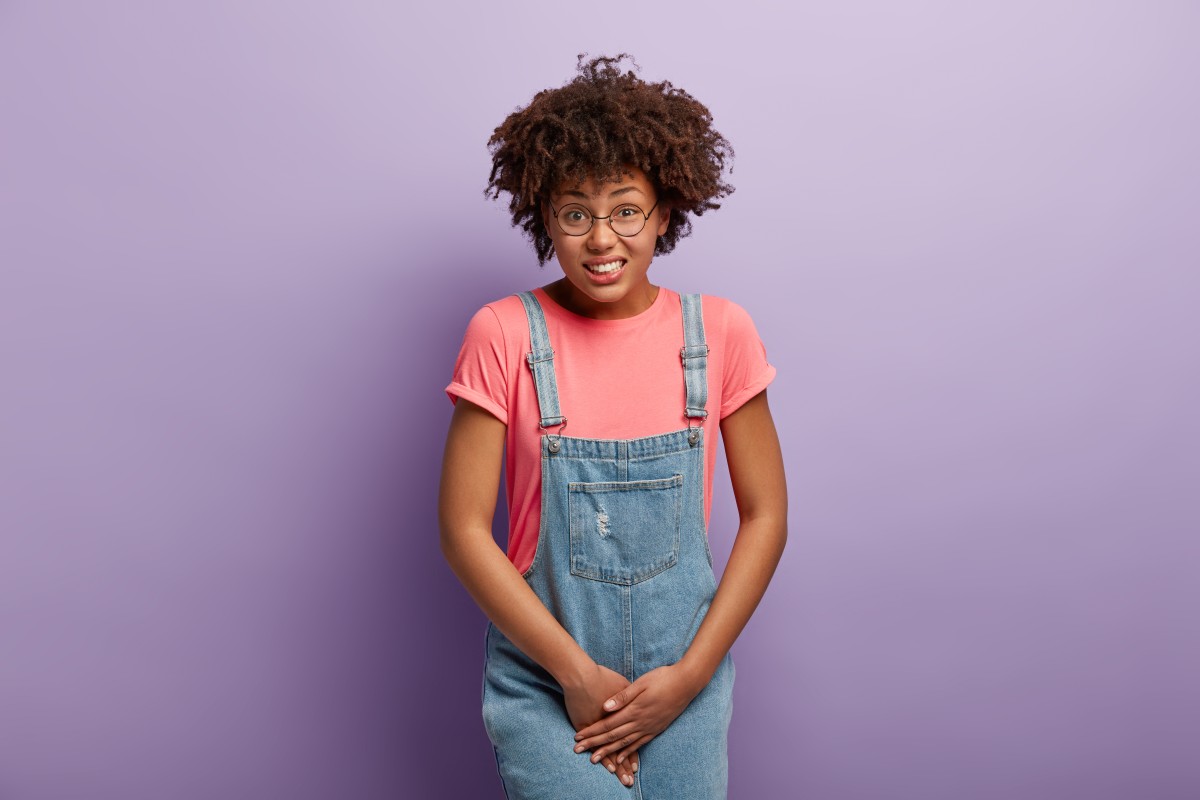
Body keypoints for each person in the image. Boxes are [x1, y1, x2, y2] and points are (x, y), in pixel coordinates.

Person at [439, 54, 788, 799]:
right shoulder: (503, 333)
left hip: (683, 679)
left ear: (665, 211)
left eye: (626, 209)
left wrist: (689, 676)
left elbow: (766, 516)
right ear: (545, 218)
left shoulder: (720, 332)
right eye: (576, 213)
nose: (602, 239)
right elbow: (464, 530)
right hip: (545, 675)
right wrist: (574, 673)